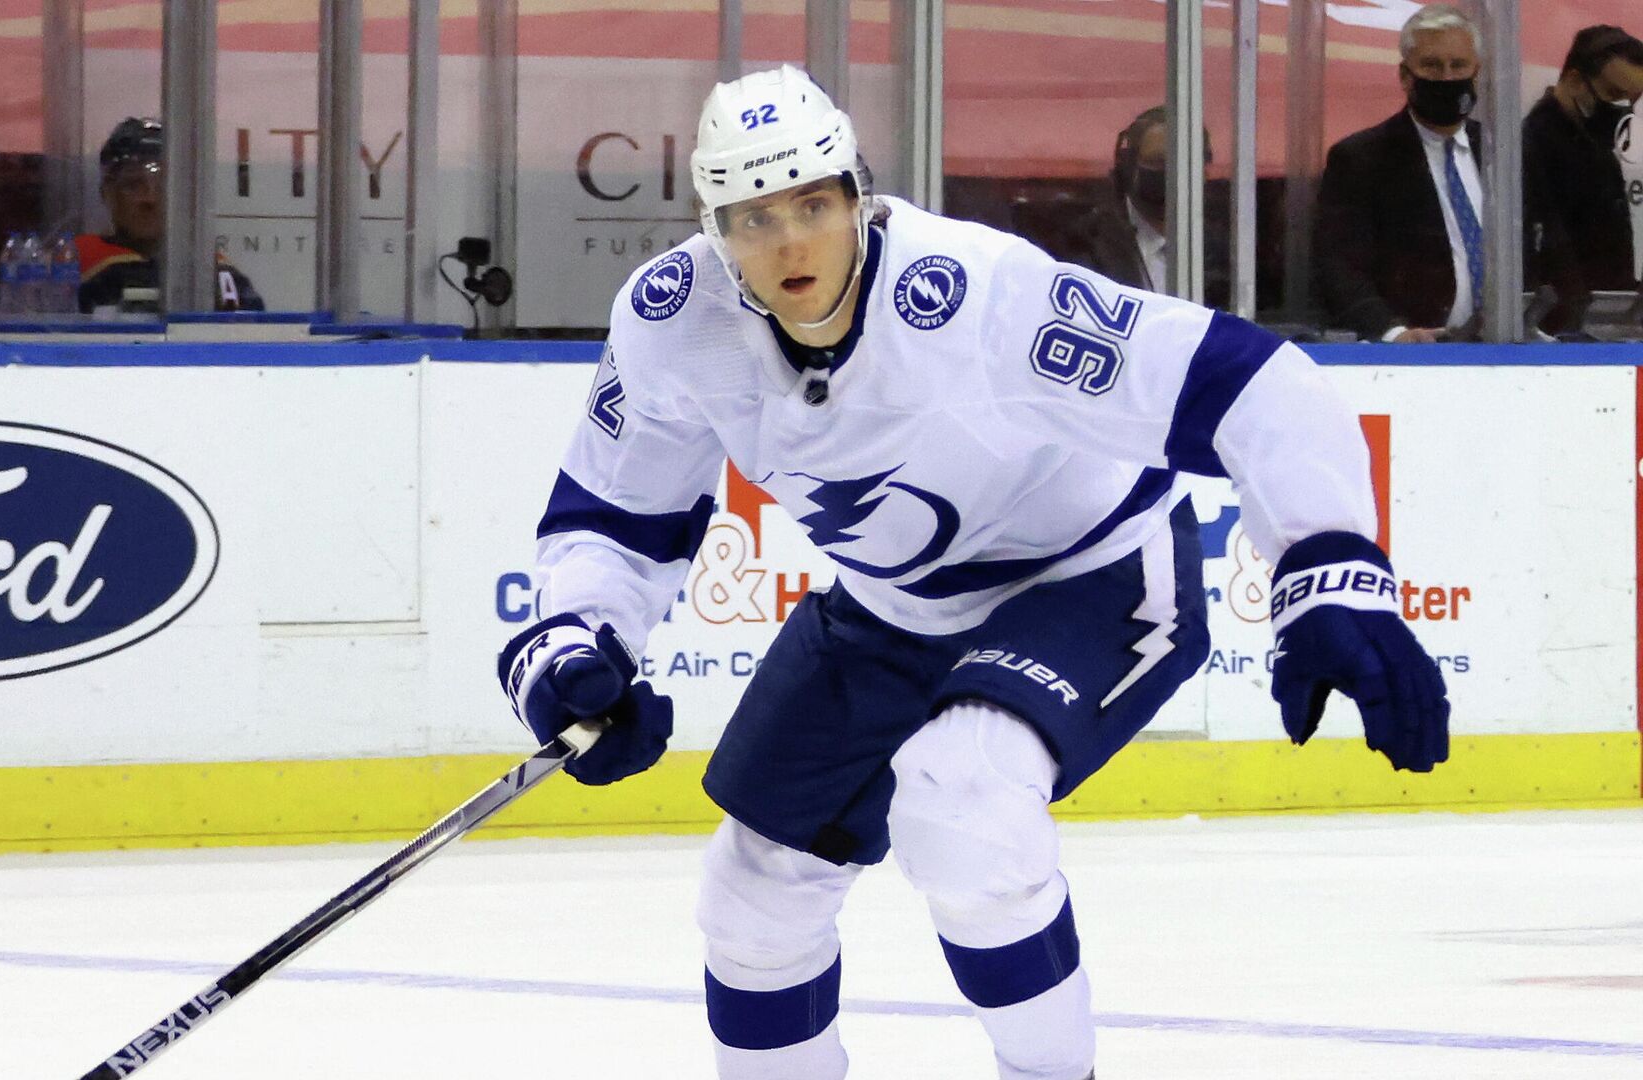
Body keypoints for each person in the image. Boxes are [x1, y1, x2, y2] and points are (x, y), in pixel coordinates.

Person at [497, 66, 1450, 1079]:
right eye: (754, 217)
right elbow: (614, 513)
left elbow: (1252, 385)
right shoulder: (674, 322)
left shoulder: (975, 298)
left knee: (964, 803)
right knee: (753, 891)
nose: (789, 243)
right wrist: (578, 644)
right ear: (712, 226)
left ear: (858, 196)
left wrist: (1333, 564)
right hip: (887, 608)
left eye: (814, 205)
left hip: (1091, 575)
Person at [1315, 4, 1485, 343]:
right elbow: (1340, 267)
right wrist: (1392, 333)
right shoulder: (1362, 159)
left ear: (1475, 72)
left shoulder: (1504, 153)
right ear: (1405, 76)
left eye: (1458, 65)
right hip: (1412, 355)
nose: (1448, 77)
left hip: (1505, 351)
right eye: (1432, 66)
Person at [75, 117, 265, 314]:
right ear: (106, 193)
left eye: (163, 186)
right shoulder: (72, 267)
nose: (149, 199)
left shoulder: (213, 272)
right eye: (133, 185)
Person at [1525, 25, 1643, 336]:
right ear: (1576, 81)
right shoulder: (1532, 146)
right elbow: (1551, 251)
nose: (1624, 109)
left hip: (1620, 319)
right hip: (1568, 328)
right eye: (1615, 95)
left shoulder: (1616, 140)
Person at [1056, 106, 1229, 309]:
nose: (1173, 173)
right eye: (1157, 162)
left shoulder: (1221, 251)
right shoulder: (1085, 244)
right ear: (1129, 169)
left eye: (1186, 161)